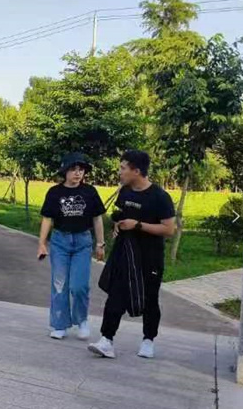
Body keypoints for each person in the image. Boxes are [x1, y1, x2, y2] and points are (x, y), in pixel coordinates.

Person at [88, 150, 176, 359]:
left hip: (149, 256)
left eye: (123, 168)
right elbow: (120, 216)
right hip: (124, 253)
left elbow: (169, 229)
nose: (119, 172)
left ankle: (148, 340)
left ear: (136, 171)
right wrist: (117, 225)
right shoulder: (125, 191)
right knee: (115, 295)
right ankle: (106, 339)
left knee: (150, 298)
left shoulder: (160, 197)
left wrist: (137, 225)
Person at [38, 152, 106, 340]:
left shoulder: (90, 192)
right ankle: (59, 324)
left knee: (79, 286)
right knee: (59, 285)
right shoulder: (55, 192)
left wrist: (100, 243)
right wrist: (41, 243)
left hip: (83, 242)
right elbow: (47, 219)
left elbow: (97, 218)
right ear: (65, 171)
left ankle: (81, 320)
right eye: (73, 169)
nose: (78, 173)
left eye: (81, 170)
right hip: (60, 241)